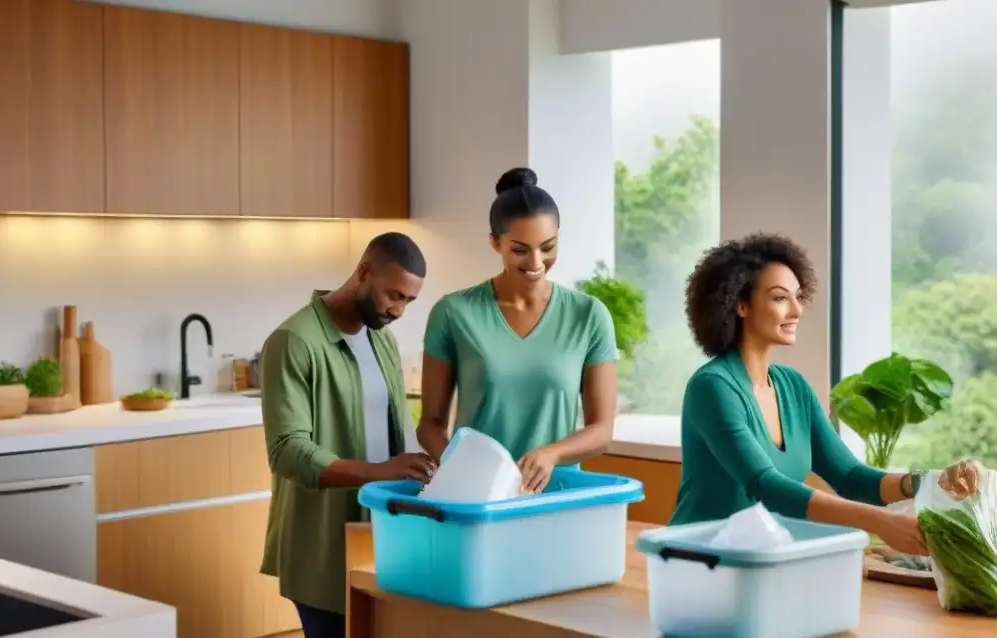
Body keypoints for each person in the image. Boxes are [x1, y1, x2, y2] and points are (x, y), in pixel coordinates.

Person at [671, 232, 981, 555]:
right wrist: (880, 522)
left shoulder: (794, 387)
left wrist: (927, 482)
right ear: (740, 304)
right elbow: (767, 487)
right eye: (780, 298)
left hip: (760, 559)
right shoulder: (713, 387)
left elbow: (851, 477)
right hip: (697, 560)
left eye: (798, 296)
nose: (797, 310)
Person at [259, 231, 437, 638]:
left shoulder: (383, 342)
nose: (398, 310)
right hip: (322, 541)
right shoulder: (293, 341)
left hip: (382, 533)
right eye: (394, 295)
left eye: (409, 301)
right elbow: (287, 451)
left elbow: (394, 429)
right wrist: (380, 471)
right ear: (363, 272)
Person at [417, 167, 619, 493]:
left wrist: (552, 454)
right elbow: (430, 426)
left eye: (548, 246)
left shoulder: (589, 316)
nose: (536, 261)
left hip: (556, 498)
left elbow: (602, 429)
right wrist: (471, 471)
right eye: (521, 250)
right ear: (495, 243)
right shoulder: (454, 313)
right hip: (477, 498)